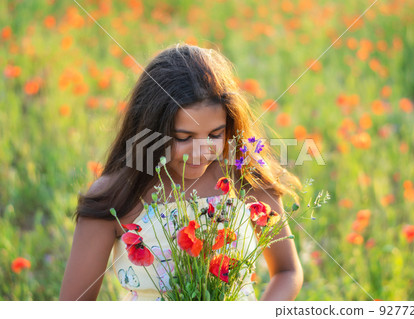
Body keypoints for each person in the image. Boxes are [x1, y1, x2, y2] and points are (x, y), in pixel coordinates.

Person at [59, 43, 304, 301]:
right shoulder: (116, 195)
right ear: (150, 131)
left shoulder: (244, 178)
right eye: (184, 137)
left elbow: (288, 271)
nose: (201, 151)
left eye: (214, 135)